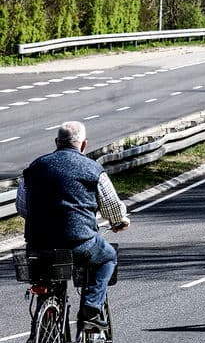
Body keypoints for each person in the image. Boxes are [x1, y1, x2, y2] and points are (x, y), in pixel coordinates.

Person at [16, 121, 130, 327]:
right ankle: (91, 310)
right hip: (80, 243)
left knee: (47, 276)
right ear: (84, 144)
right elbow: (111, 206)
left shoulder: (34, 169)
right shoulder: (93, 169)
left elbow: (22, 207)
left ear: (56, 142)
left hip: (38, 244)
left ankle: (44, 327)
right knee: (108, 257)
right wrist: (119, 221)